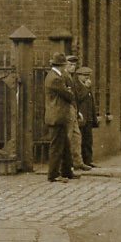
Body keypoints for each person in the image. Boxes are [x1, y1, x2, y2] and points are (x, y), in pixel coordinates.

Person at [43, 52, 75, 182]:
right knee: (56, 147)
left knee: (65, 146)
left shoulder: (55, 76)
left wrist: (68, 90)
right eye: (64, 65)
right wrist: (69, 91)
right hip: (57, 116)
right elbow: (68, 96)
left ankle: (67, 172)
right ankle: (53, 175)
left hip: (58, 115)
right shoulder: (56, 78)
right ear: (61, 65)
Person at [64, 55, 89, 170]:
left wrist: (77, 111)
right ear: (65, 65)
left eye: (74, 65)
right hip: (66, 111)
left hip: (73, 110)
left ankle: (78, 162)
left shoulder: (71, 78)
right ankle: (67, 164)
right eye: (70, 65)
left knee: (76, 137)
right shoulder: (64, 77)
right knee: (68, 137)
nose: (73, 67)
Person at [76, 66, 99, 165]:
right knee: (81, 141)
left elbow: (91, 103)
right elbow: (79, 99)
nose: (87, 78)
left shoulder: (87, 87)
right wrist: (86, 88)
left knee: (88, 141)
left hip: (88, 118)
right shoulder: (77, 87)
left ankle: (89, 161)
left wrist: (94, 118)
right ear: (79, 76)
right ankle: (82, 162)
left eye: (88, 75)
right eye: (84, 75)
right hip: (81, 118)